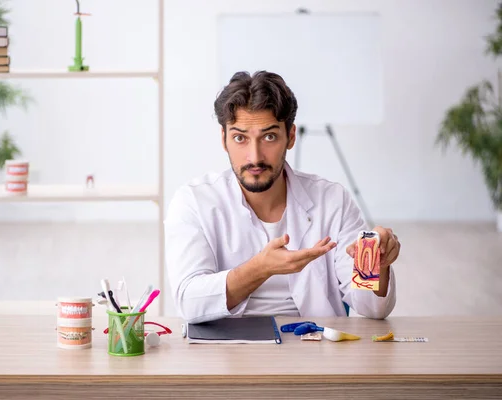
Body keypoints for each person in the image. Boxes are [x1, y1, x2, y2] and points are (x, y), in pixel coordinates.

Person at [164, 71, 399, 324]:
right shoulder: (194, 202)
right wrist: (261, 268)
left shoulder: (332, 201)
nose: (254, 157)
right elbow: (189, 301)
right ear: (224, 139)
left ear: (290, 136)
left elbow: (372, 308)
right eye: (240, 138)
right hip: (227, 354)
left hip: (316, 349)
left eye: (269, 137)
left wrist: (378, 263)